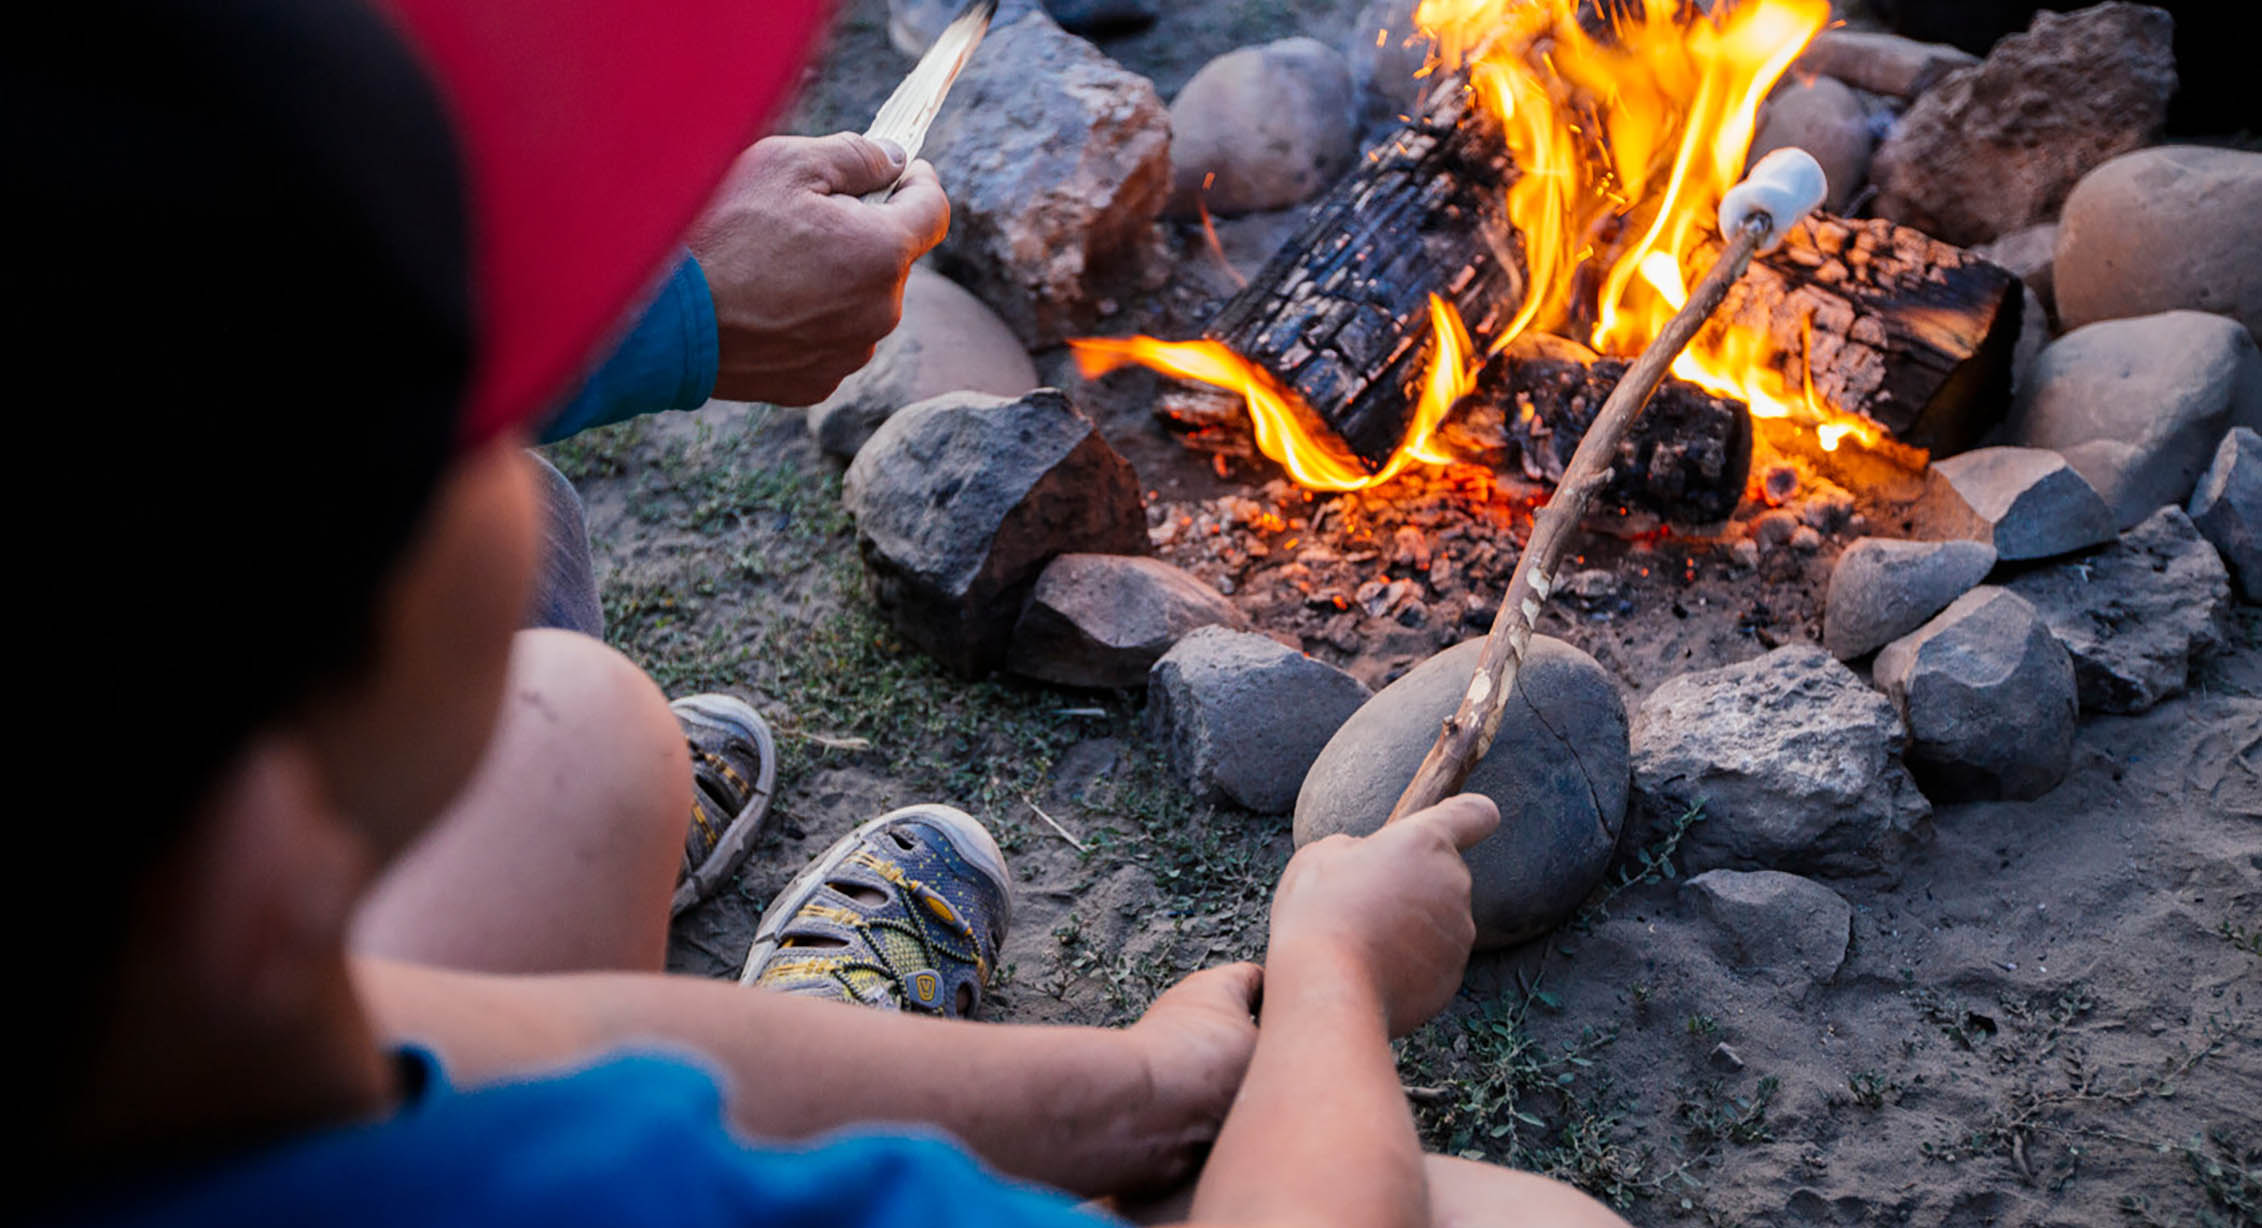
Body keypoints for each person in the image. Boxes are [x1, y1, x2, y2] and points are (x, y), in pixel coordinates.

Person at [16, 1, 1628, 1225]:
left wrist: (1146, 1083)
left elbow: (494, 1034)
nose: (499, 434)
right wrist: (1330, 977)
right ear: (276, 859)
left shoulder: (168, 1029)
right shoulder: (594, 1195)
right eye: (449, 438)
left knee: (574, 733)